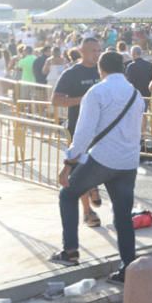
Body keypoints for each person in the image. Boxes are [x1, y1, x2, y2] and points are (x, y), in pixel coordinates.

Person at [51, 51, 145, 283]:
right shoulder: (136, 94)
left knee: (68, 194)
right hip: (128, 160)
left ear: (100, 70)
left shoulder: (97, 92)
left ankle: (70, 251)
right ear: (123, 68)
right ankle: (128, 267)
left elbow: (83, 134)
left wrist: (68, 164)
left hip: (103, 158)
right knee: (123, 215)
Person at [52, 37, 103, 227]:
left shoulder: (104, 71)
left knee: (99, 167)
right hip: (79, 129)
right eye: (93, 51)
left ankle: (94, 187)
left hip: (103, 131)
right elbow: (56, 100)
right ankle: (87, 212)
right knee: (79, 172)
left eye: (99, 50)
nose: (96, 54)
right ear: (81, 51)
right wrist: (83, 100)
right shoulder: (72, 73)